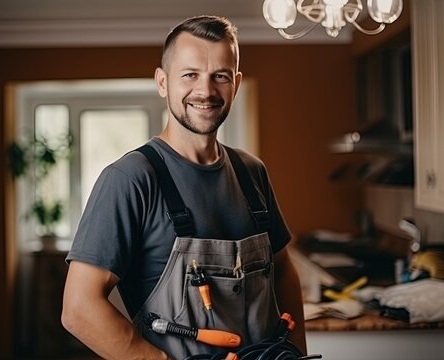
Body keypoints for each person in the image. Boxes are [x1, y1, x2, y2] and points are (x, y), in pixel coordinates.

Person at [61, 15, 307, 360]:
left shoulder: (252, 172)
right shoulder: (130, 179)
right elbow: (78, 308)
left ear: (235, 84)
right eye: (190, 75)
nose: (205, 91)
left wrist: (294, 352)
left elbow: (282, 271)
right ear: (162, 82)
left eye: (219, 76)